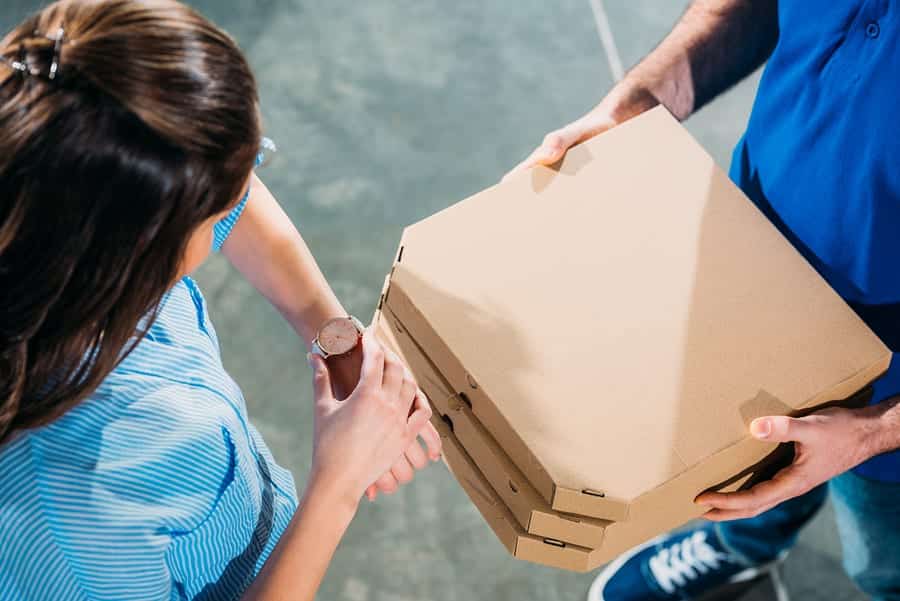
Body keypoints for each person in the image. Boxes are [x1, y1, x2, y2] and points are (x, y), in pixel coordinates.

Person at [0, 1, 442, 599]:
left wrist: (339, 343)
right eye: (213, 216)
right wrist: (336, 487)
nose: (236, 204)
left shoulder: (66, 195)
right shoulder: (70, 510)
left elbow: (228, 184)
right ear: (144, 241)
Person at [507, 1, 900, 600]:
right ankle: (743, 544)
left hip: (888, 366)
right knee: (747, 457)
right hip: (751, 245)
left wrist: (872, 431)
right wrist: (635, 104)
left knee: (881, 557)